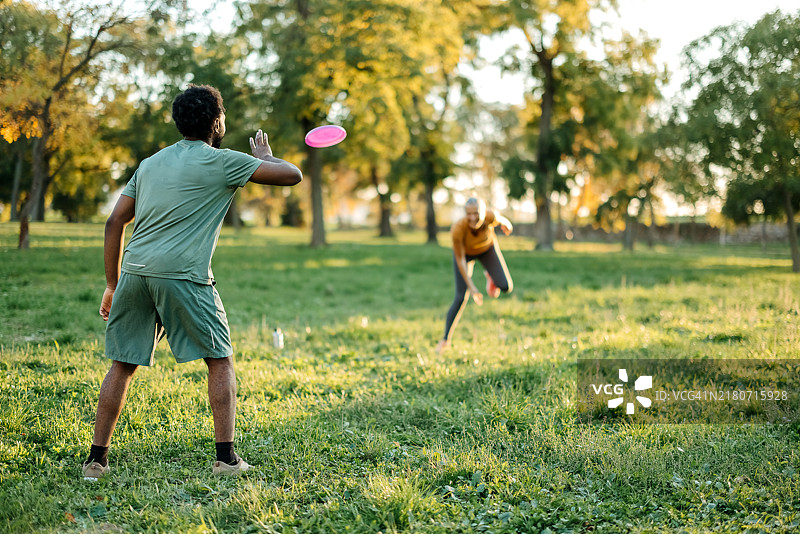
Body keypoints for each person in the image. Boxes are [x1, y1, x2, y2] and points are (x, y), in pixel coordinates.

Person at [82, 84, 302, 480]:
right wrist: (265, 158)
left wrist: (112, 284)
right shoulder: (224, 161)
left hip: (134, 271)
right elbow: (292, 175)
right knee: (219, 359)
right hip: (183, 274)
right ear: (217, 123)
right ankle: (226, 460)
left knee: (122, 364)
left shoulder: (150, 164)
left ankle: (96, 461)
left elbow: (114, 222)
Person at [436, 197, 514, 353]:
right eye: (469, 214)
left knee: (505, 287)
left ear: (483, 212)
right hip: (465, 255)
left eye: (476, 213)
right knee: (460, 297)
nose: (472, 218)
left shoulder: (490, 216)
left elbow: (503, 220)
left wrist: (507, 225)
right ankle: (445, 340)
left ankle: (490, 275)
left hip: (487, 249)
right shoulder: (458, 229)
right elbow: (460, 261)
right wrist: (471, 287)